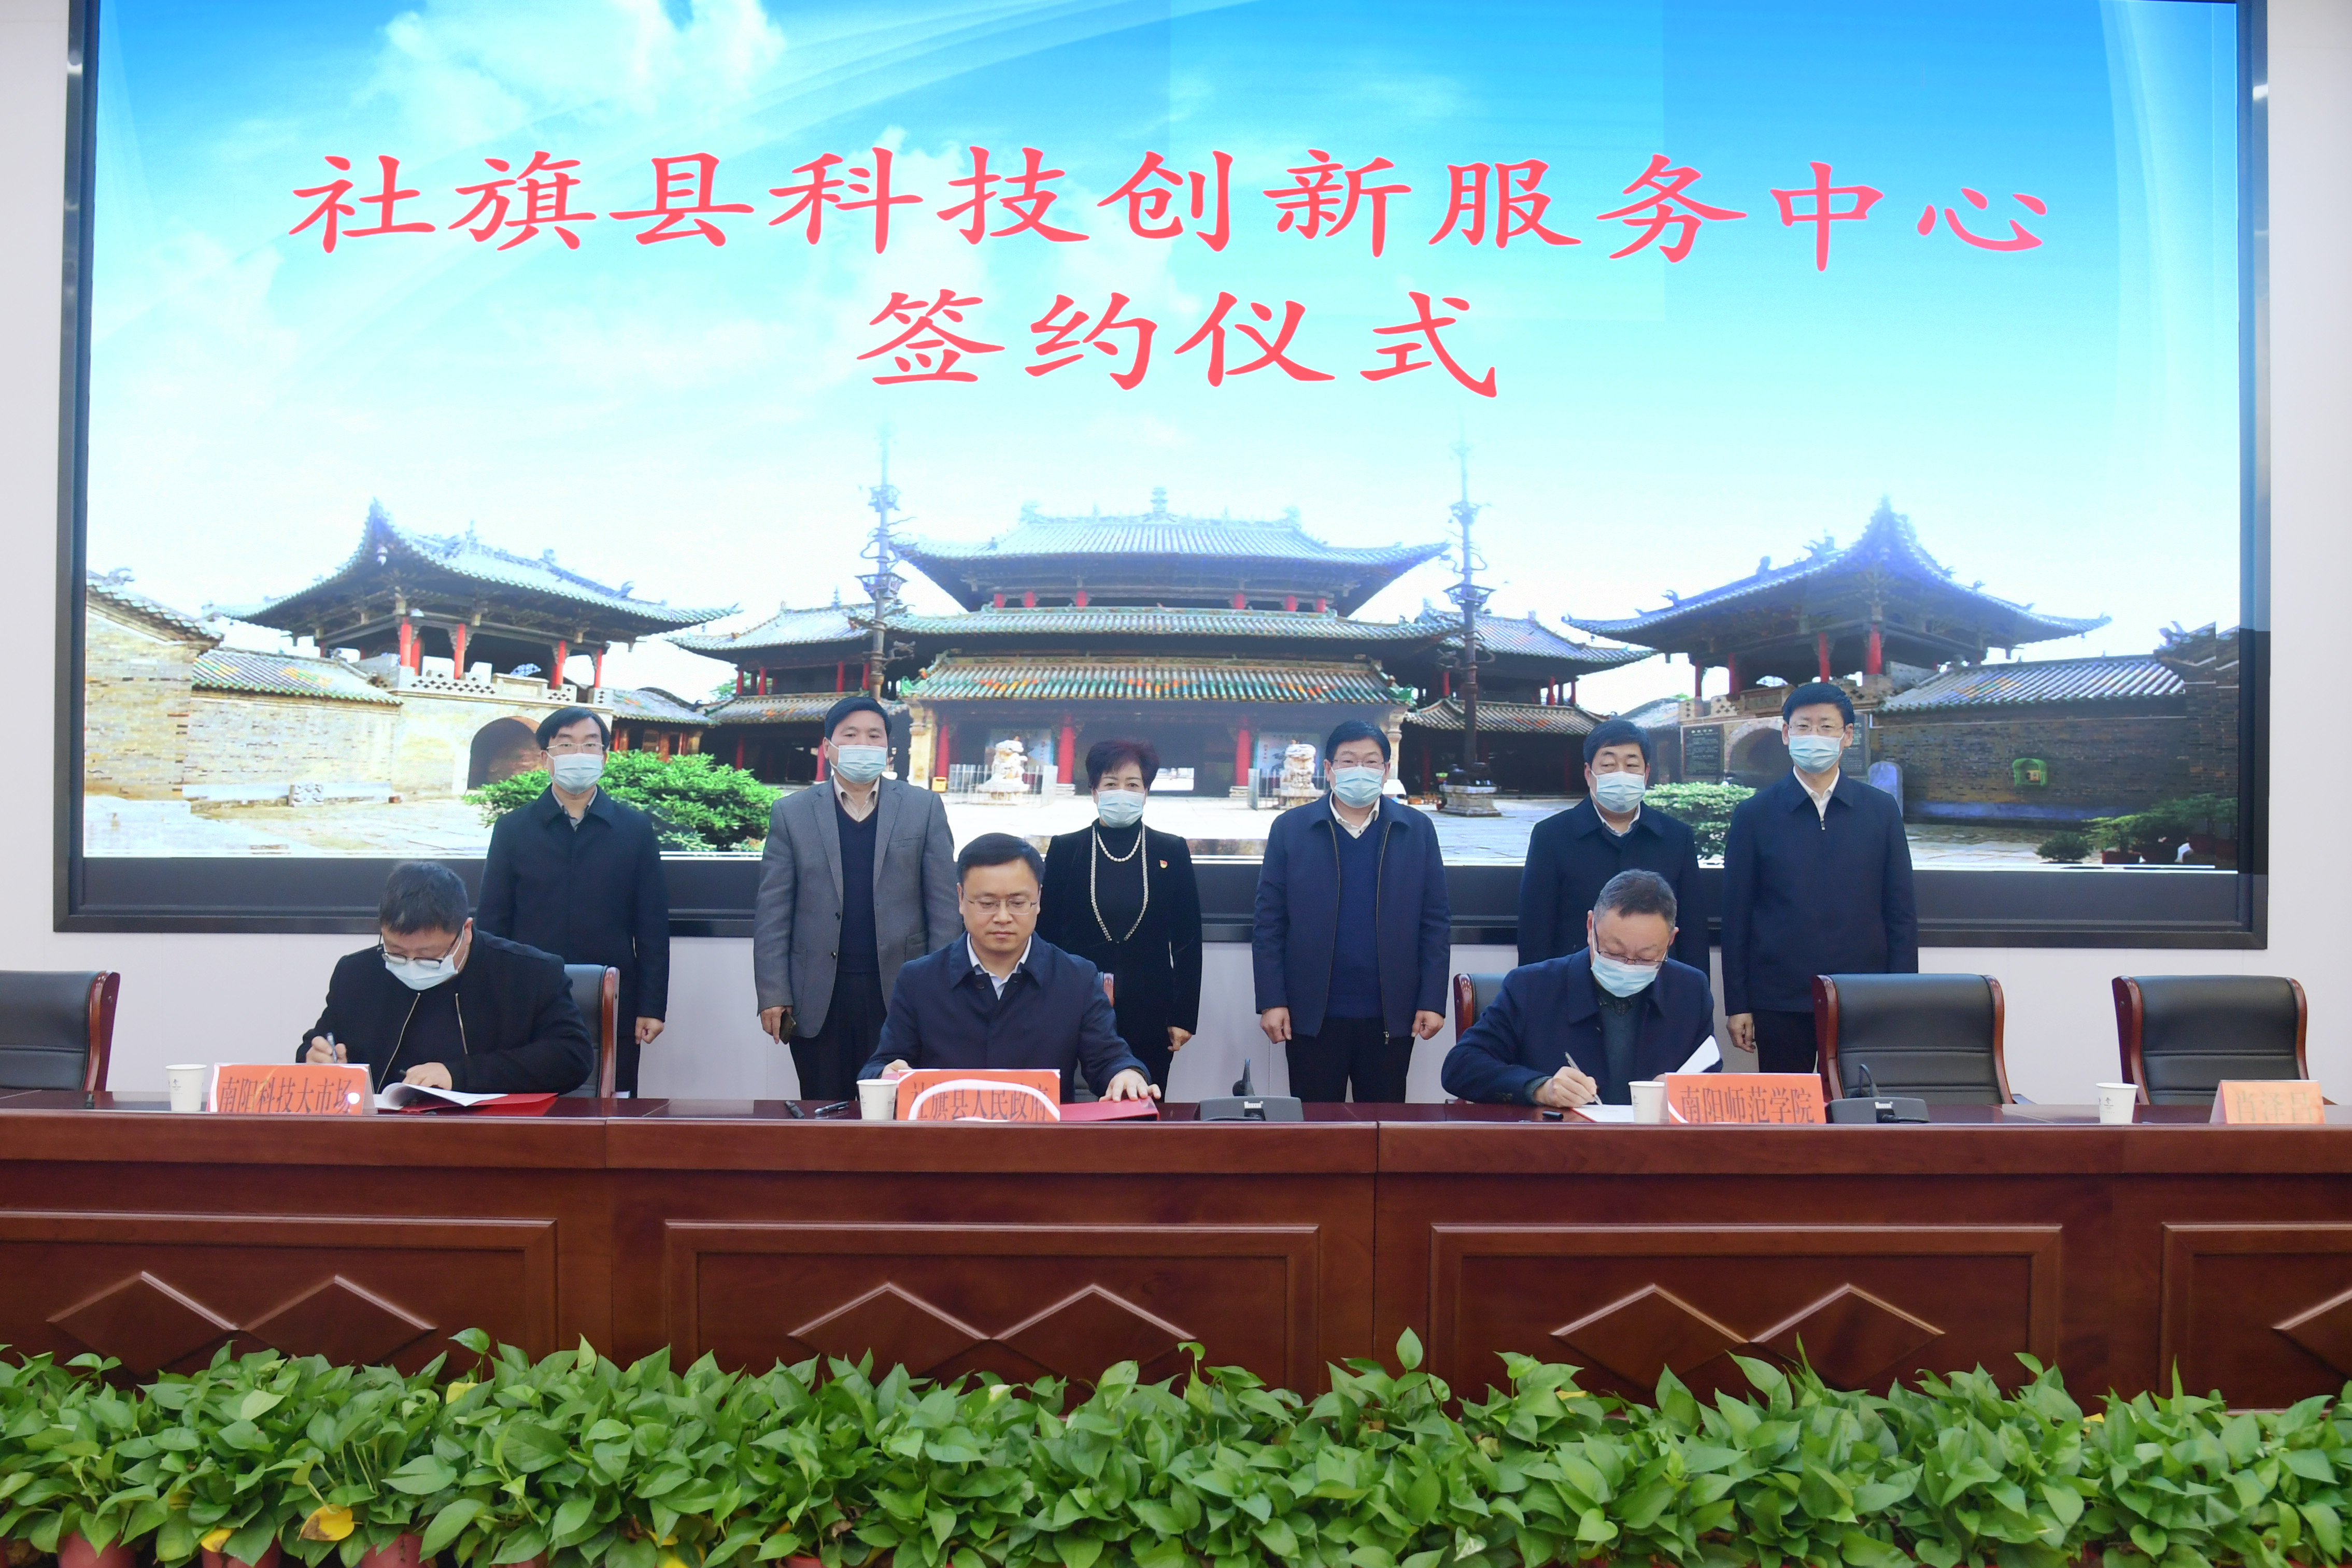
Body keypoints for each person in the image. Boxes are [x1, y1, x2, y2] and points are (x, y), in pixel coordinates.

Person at [754, 694, 958, 1102]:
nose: (862, 744)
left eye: (874, 736)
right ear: (827, 747)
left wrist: (942, 990)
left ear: (888, 749)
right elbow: (773, 911)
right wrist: (774, 993)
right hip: (817, 996)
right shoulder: (792, 813)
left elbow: (944, 909)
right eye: (850, 735)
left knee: (898, 1109)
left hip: (902, 991)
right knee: (825, 1107)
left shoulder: (923, 808)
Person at [863, 833, 1157, 1101]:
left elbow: (1108, 1059)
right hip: (948, 1137)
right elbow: (881, 1065)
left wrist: (1127, 1074)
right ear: (961, 899)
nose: (1003, 917)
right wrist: (885, 1074)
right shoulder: (919, 980)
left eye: (1018, 903)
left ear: (1038, 899)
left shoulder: (1076, 978)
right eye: (987, 903)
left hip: (1044, 1139)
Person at [1721, 681, 1919, 1074]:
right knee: (1786, 1108)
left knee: (1858, 1106)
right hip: (1779, 998)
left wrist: (1900, 995)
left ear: (1848, 735)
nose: (1815, 736)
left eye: (1826, 726)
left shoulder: (1880, 811)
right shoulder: (1754, 815)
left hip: (1863, 996)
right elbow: (1737, 916)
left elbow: (1900, 913)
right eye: (1803, 726)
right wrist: (1738, 1003)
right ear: (1786, 734)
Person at [1252, 719, 1449, 1103]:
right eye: (1348, 761)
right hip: (1311, 1014)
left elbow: (1435, 922)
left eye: (1371, 762)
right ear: (1328, 769)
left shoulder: (1417, 830)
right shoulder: (1291, 828)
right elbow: (1269, 923)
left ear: (1386, 770)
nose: (1360, 770)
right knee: (1315, 1126)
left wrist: (1431, 1000)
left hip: (1391, 1013)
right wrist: (1272, 1000)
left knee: (1383, 1126)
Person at [476, 706, 669, 1094]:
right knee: (531, 1102)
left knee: (611, 1104)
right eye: (565, 745)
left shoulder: (634, 829)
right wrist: (490, 1001)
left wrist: (651, 1006)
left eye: (590, 745)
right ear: (545, 758)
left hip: (612, 995)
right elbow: (493, 923)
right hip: (526, 998)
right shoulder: (513, 829)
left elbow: (651, 926)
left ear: (605, 757)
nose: (578, 754)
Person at [300, 861, 593, 1093]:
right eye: (397, 952)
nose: (411, 964)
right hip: (381, 1134)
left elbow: (571, 1057)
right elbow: (320, 1042)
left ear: (466, 931)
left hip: (489, 1134)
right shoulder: (356, 973)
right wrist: (315, 1058)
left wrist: (460, 1075)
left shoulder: (529, 973)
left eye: (429, 956)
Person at [1443, 870, 1714, 1107]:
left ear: (1670, 941)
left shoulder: (1690, 990)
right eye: (1614, 952)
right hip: (1557, 1144)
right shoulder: (1531, 987)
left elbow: (1709, 1075)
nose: (1628, 966)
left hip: (1655, 1145)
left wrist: (1685, 1090)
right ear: (1590, 927)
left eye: (1646, 957)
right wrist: (1540, 1088)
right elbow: (1462, 1066)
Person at [1039, 738, 1202, 1091]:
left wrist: (1184, 1015)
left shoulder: (1171, 849)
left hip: (1151, 1009)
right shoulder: (1066, 849)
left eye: (1133, 785)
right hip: (1074, 1003)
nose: (1122, 793)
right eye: (1111, 784)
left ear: (1146, 792)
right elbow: (1046, 934)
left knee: (1144, 1103)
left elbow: (1187, 939)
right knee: (1067, 1106)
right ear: (1094, 792)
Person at [1518, 719, 1707, 974]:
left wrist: (1696, 992)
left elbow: (1693, 931)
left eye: (1631, 765)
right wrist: (1533, 991)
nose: (1621, 774)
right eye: (1608, 765)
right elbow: (1535, 933)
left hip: (1657, 986)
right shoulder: (1551, 836)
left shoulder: (1677, 837)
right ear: (1589, 773)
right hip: (1573, 985)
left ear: (1646, 774)